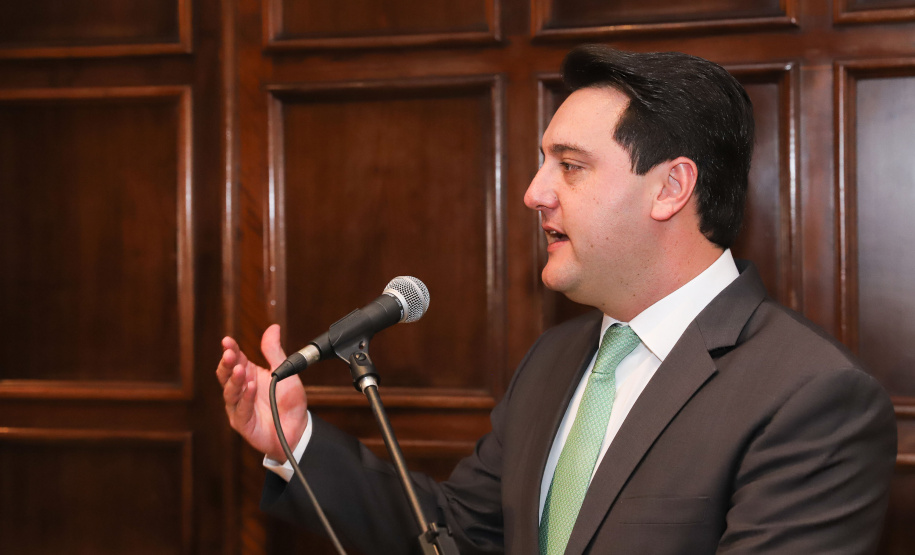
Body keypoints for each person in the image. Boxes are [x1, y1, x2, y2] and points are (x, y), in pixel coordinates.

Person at [216, 45, 897, 554]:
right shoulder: (557, 356)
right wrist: (295, 440)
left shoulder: (812, 396)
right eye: (543, 162)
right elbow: (456, 533)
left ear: (670, 187)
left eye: (569, 166)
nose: (534, 192)